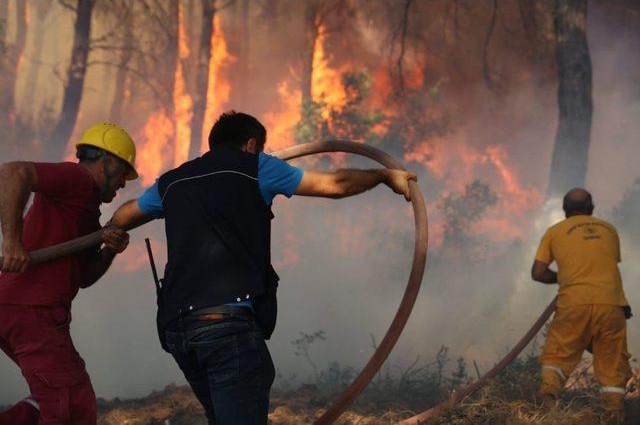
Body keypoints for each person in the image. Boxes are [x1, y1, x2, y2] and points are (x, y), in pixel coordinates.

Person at [110, 111, 416, 424]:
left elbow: (126, 214)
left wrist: (108, 232)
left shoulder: (173, 180)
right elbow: (335, 184)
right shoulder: (257, 167)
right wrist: (383, 177)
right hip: (226, 324)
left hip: (179, 330)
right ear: (251, 143)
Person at [0, 123, 137, 424]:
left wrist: (108, 249)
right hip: (30, 310)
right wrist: (11, 243)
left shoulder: (86, 210)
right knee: (69, 403)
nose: (123, 185)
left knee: (63, 400)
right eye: (123, 174)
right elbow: (13, 172)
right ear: (108, 162)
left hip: (32, 312)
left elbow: (84, 277)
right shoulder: (77, 179)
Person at [532, 188, 632, 419]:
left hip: (574, 304)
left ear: (565, 210)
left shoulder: (554, 231)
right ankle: (613, 416)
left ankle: (549, 413)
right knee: (612, 366)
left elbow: (538, 273)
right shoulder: (609, 230)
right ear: (592, 208)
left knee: (556, 359)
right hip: (612, 305)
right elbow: (606, 265)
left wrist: (564, 276)